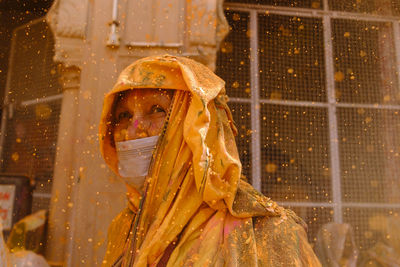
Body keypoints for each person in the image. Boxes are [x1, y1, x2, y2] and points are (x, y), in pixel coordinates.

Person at [99, 55, 321, 266]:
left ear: (199, 126)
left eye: (157, 110)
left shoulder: (265, 233)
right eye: (124, 116)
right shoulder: (125, 227)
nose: (133, 130)